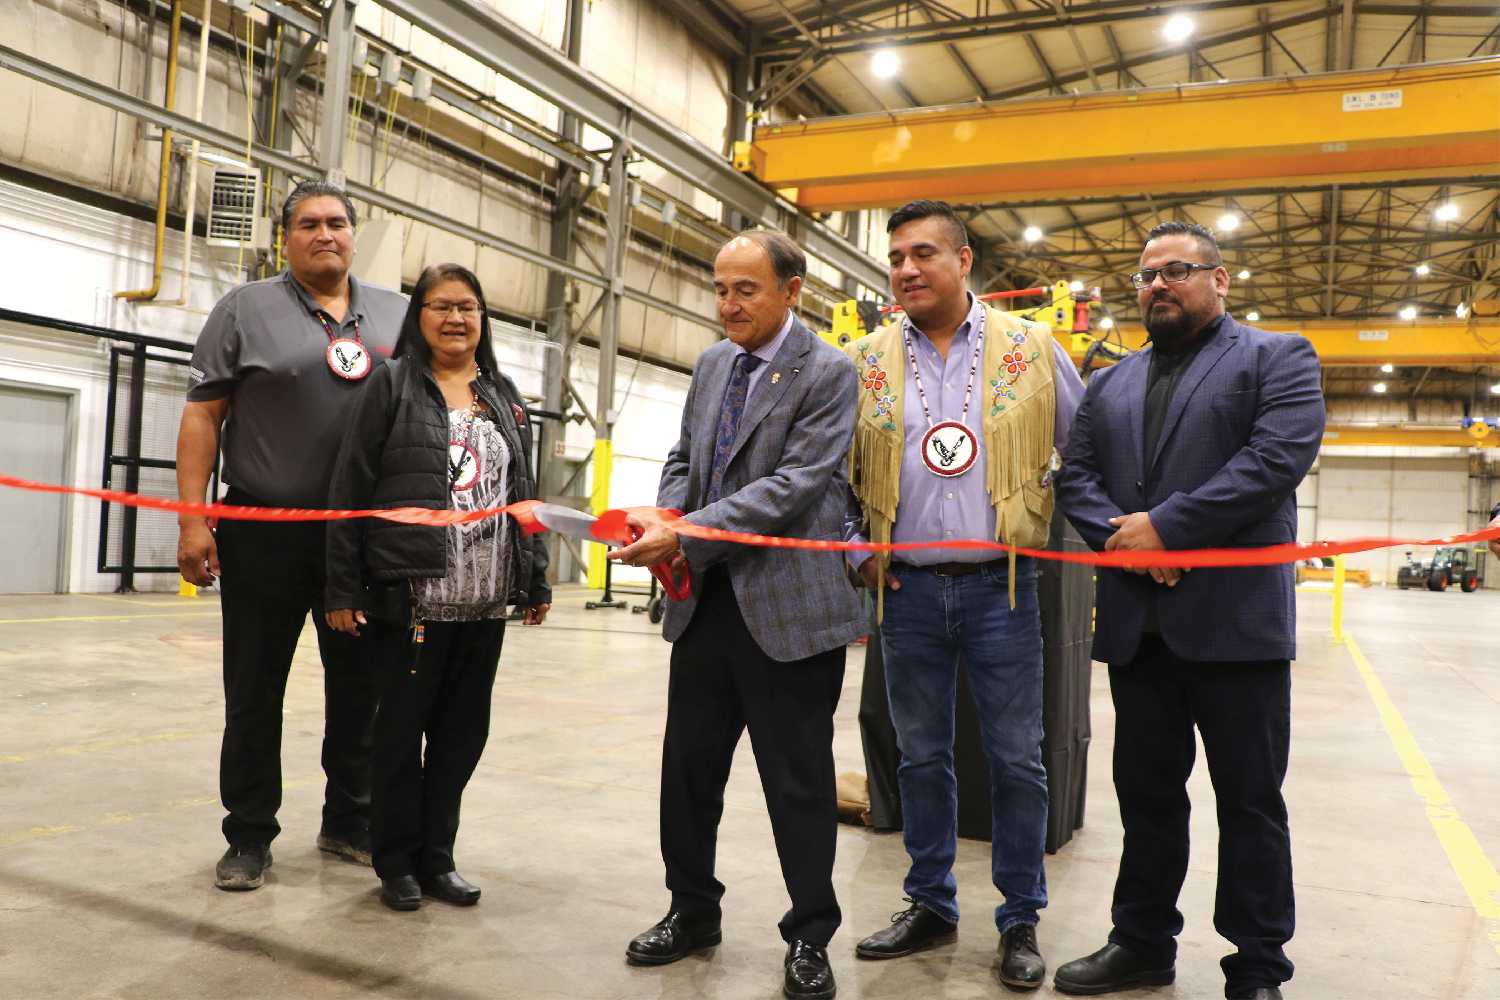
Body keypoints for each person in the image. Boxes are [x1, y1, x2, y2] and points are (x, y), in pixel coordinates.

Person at [1053, 220, 1325, 1000]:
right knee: (1146, 800)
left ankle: (1258, 967)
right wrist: (1132, 542)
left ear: (1220, 278)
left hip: (1236, 627)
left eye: (1176, 270)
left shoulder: (1278, 358)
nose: (1158, 286)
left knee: (1250, 805)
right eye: (1145, 276)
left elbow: (1274, 460)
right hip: (1142, 630)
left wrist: (1167, 528)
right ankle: (1141, 942)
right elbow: (1076, 480)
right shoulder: (1109, 383)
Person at [610, 230, 864, 1000]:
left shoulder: (829, 372)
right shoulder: (714, 362)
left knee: (799, 783)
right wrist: (669, 513)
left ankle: (810, 934)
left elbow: (793, 487)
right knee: (688, 773)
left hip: (788, 608)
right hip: (706, 604)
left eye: (745, 290)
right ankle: (691, 911)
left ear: (792, 289)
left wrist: (683, 532)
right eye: (720, 289)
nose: (728, 304)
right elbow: (685, 456)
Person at [843, 199, 1084, 991]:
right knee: (922, 759)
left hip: (1002, 587)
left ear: (962, 260)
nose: (906, 270)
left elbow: (1081, 459)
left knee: (1017, 759)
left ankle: (1019, 919)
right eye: (895, 259)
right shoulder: (868, 361)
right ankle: (931, 902)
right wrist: (857, 549)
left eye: (922, 255)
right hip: (905, 590)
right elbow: (837, 477)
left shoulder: (1034, 350)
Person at [176, 180, 408, 891]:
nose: (324, 234)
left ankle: (350, 821)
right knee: (253, 689)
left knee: (361, 688)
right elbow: (203, 417)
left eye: (337, 223)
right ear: (286, 237)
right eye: (308, 223)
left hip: (361, 541)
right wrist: (193, 517)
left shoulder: (398, 314)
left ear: (353, 233)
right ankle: (248, 835)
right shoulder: (245, 309)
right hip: (263, 530)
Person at [321, 262, 551, 911]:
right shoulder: (391, 387)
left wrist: (533, 579)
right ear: (418, 316)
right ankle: (394, 860)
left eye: (468, 307)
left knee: (460, 737)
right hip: (413, 602)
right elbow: (349, 491)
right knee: (399, 737)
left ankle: (437, 858)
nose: (456, 318)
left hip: (484, 604)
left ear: (483, 319)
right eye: (441, 305)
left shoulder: (503, 395)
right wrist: (342, 589)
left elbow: (521, 496)